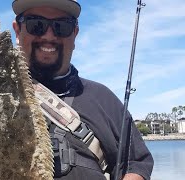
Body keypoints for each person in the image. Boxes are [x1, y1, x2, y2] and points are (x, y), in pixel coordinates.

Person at [11, 0, 153, 179]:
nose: (48, 35)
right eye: (35, 24)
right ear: (17, 30)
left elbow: (136, 163)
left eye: (61, 26)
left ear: (75, 33)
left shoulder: (103, 99)